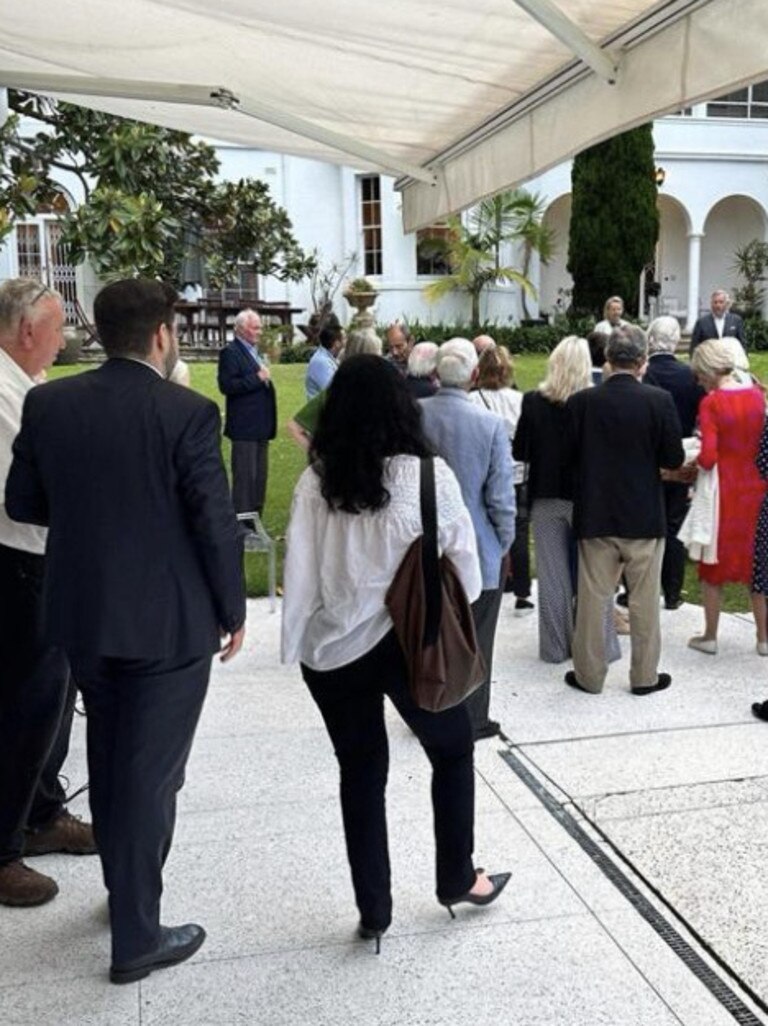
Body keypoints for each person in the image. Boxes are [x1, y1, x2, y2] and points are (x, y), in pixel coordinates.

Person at [7, 278, 246, 984]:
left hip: (82, 614)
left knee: (113, 757)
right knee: (150, 775)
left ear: (97, 331)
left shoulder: (48, 401)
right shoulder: (189, 412)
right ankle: (138, 934)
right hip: (168, 624)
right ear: (164, 335)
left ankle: (126, 888)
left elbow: (24, 500)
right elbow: (214, 524)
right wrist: (233, 611)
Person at [281, 355, 510, 949]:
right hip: (414, 642)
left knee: (360, 773)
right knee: (452, 751)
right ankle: (457, 875)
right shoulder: (428, 476)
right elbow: (469, 574)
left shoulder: (317, 478)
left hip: (333, 650)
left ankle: (374, 909)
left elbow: (300, 570)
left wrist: (293, 642)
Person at [0, 279, 96, 909]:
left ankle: (40, 813)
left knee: (55, 699)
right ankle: (4, 846)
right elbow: (33, 487)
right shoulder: (5, 392)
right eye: (58, 328)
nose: (64, 342)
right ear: (27, 330)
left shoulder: (23, 384)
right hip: (16, 566)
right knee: (22, 707)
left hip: (43, 562)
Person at [566, 326, 684, 694]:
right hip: (644, 516)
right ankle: (644, 677)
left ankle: (589, 676)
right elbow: (673, 457)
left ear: (608, 361)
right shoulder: (659, 401)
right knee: (645, 604)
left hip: (596, 514)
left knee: (591, 602)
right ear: (642, 362)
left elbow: (570, 458)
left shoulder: (581, 402)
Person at [420, 339, 515, 740]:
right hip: (478, 542)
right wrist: (503, 541)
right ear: (474, 376)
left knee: (428, 629)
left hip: (422, 539)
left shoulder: (414, 415)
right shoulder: (489, 425)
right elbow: (500, 497)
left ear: (435, 375)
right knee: (478, 636)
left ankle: (428, 705)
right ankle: (473, 716)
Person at [513, 336, 620, 664]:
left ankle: (555, 648)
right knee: (595, 576)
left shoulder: (533, 401)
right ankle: (600, 646)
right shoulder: (597, 401)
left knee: (552, 576)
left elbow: (520, 450)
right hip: (587, 498)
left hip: (546, 496)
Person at [687, 340, 767, 655]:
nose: (698, 381)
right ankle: (763, 638)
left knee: (713, 564)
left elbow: (708, 457)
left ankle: (710, 635)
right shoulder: (757, 396)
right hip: (756, 486)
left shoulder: (712, 403)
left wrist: (694, 458)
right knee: (756, 564)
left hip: (723, 489)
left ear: (707, 371)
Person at [643, 316, 704, 609]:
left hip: (646, 458)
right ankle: (672, 592)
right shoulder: (689, 375)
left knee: (645, 527)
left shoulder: (642, 374)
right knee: (674, 525)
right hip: (681, 456)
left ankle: (640, 590)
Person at [468, 345, 532, 615]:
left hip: (483, 471)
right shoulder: (520, 401)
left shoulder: (472, 400)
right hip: (517, 473)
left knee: (481, 525)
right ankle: (521, 592)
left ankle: (485, 579)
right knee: (518, 531)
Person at [217, 309, 276, 531]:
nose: (259, 331)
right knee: (245, 478)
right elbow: (227, 385)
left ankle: (255, 522)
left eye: (260, 327)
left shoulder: (254, 352)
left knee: (259, 478)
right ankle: (241, 526)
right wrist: (257, 378)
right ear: (241, 329)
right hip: (244, 427)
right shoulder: (231, 353)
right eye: (255, 327)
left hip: (260, 426)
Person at [285, 326, 382, 451]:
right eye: (343, 339)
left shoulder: (329, 361)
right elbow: (295, 426)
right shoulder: (322, 364)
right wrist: (317, 457)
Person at [689, 289, 746, 355]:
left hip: (730, 361)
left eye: (721, 302)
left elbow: (742, 343)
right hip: (708, 361)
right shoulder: (701, 322)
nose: (718, 305)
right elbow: (694, 346)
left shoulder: (736, 320)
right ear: (711, 304)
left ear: (726, 304)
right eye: (715, 302)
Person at [305, 321, 344, 398]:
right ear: (337, 343)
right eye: (344, 339)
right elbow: (334, 391)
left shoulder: (328, 357)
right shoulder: (321, 362)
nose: (346, 342)